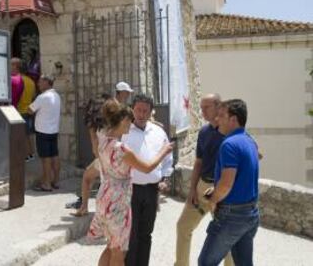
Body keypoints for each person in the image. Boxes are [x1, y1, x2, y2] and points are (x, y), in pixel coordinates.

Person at [88, 99, 174, 266]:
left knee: (111, 247)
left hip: (106, 197)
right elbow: (147, 167)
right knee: (119, 252)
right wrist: (164, 151)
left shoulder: (103, 140)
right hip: (119, 201)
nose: (131, 123)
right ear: (121, 121)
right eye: (129, 120)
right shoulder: (122, 149)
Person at [198, 99, 260, 266]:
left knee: (206, 262)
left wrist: (213, 200)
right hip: (250, 213)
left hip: (232, 216)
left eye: (221, 116)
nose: (217, 119)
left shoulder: (229, 145)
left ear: (233, 119)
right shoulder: (250, 141)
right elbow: (242, 176)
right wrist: (216, 189)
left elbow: (226, 184)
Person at [175, 94, 234, 266]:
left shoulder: (232, 132)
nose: (202, 112)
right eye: (201, 108)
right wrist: (192, 189)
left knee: (226, 236)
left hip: (222, 191)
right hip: (202, 188)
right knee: (183, 226)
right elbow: (198, 163)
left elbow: (254, 154)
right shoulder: (204, 132)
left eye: (206, 107)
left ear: (218, 106)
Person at [67, 81, 134, 213]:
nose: (127, 95)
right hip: (108, 152)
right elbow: (94, 125)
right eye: (126, 93)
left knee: (100, 181)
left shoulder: (119, 109)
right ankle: (87, 207)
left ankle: (90, 208)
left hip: (109, 152)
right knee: (93, 178)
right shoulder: (113, 108)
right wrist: (94, 144)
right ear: (120, 92)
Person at [123, 94, 173, 266]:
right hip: (130, 189)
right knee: (131, 234)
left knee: (146, 233)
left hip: (151, 190)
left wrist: (165, 178)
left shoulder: (159, 132)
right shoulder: (124, 132)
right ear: (132, 110)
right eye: (138, 110)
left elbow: (167, 158)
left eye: (145, 110)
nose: (141, 114)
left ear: (151, 112)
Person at [28, 75, 61, 191]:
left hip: (43, 131)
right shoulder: (56, 95)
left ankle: (46, 184)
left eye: (40, 82)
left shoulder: (42, 97)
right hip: (53, 130)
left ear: (47, 82)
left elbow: (30, 110)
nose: (38, 84)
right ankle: (56, 181)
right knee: (55, 156)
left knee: (45, 158)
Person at [17, 60, 37, 162]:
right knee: (29, 134)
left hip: (20, 111)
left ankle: (25, 155)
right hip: (28, 111)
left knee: (22, 135)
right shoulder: (31, 82)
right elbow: (33, 97)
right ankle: (31, 154)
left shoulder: (18, 80)